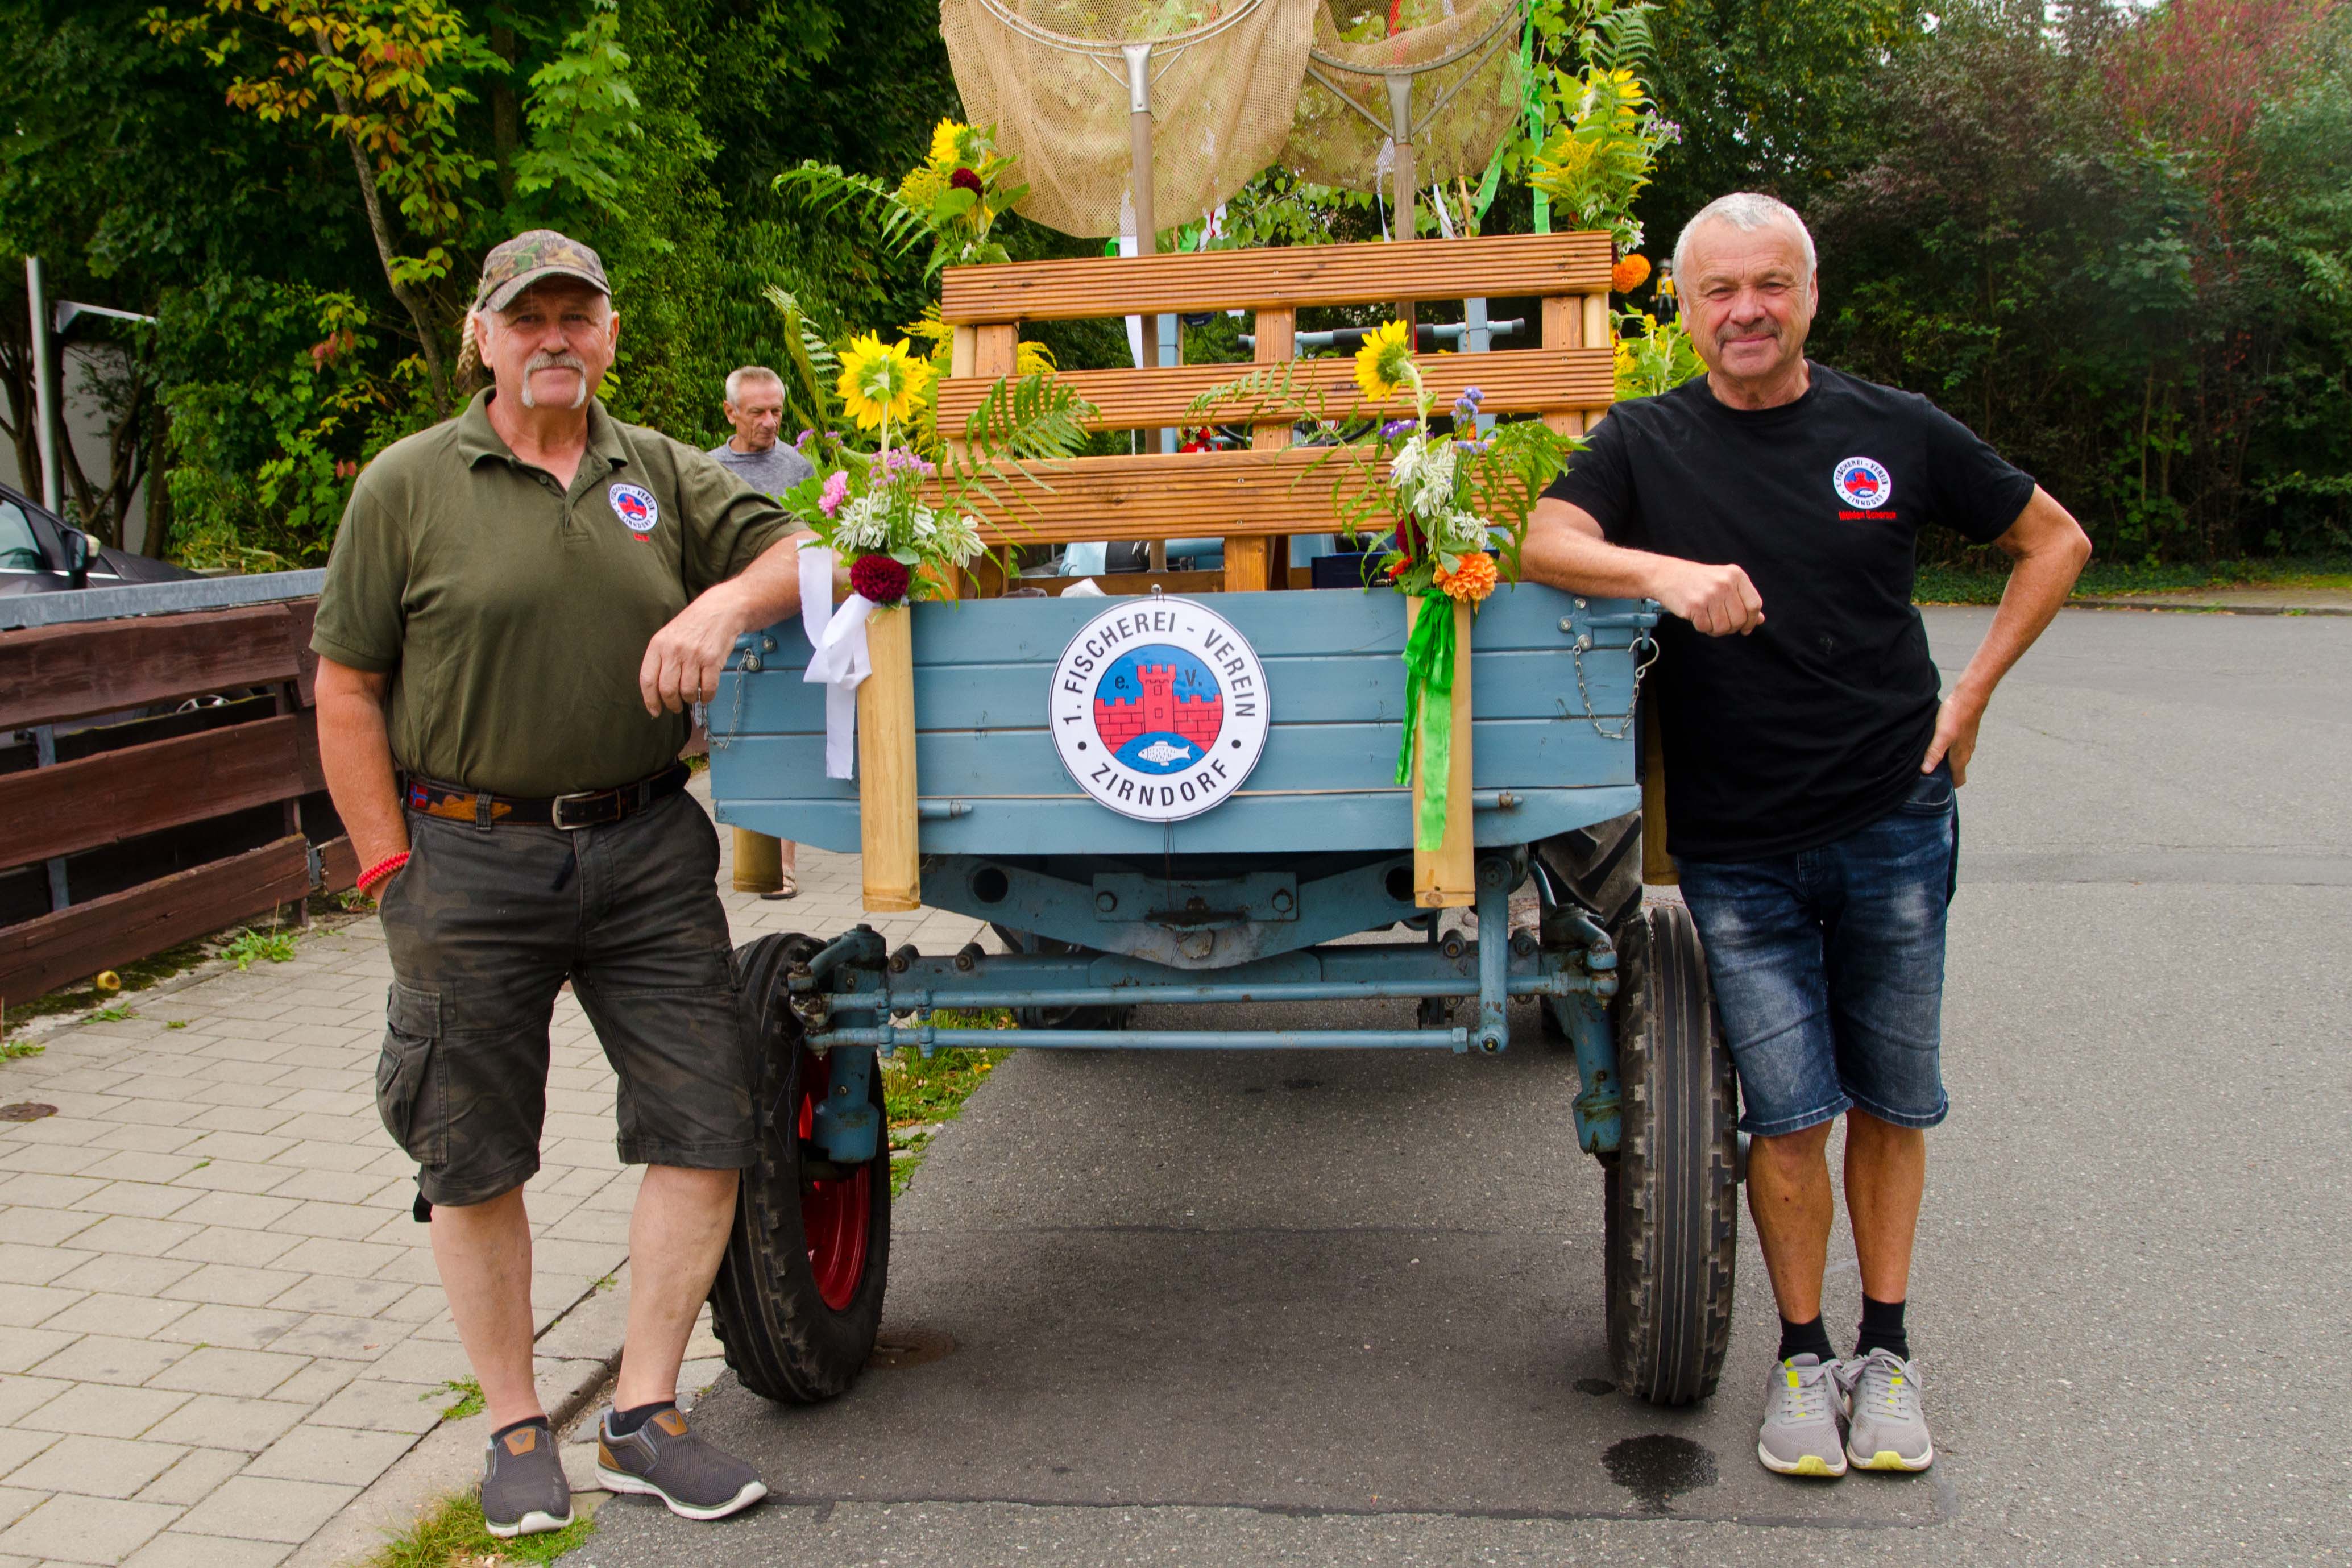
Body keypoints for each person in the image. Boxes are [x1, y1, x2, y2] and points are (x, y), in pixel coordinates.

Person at [1524, 192, 2090, 1478]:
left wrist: (1971, 694)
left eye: (1770, 284)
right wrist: (1665, 574)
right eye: (1720, 290)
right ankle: (1801, 1356)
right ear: (1686, 308)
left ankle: (1887, 1354)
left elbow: (2052, 540)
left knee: (1892, 1102)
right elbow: (1545, 538)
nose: (1747, 311)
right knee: (1785, 1121)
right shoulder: (1644, 442)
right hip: (1736, 848)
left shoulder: (1892, 428)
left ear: (1811, 294)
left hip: (1894, 820)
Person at [312, 231, 814, 1534]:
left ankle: (644, 1414)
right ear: (481, 337)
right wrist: (386, 865)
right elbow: (346, 686)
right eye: (525, 317)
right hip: (465, 859)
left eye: (575, 316)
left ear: (609, 335)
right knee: (470, 1148)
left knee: (706, 1118)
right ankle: (515, 1424)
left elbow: (800, 549)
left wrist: (720, 608)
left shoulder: (663, 470)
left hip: (646, 847)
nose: (552, 338)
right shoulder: (408, 485)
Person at [707, 366, 813, 899]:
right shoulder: (707, 470)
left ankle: (783, 865)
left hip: (787, 620)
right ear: (731, 413)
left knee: (784, 734)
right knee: (737, 733)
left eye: (776, 411)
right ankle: (750, 859)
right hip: (729, 620)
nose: (770, 422)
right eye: (757, 412)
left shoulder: (797, 467)